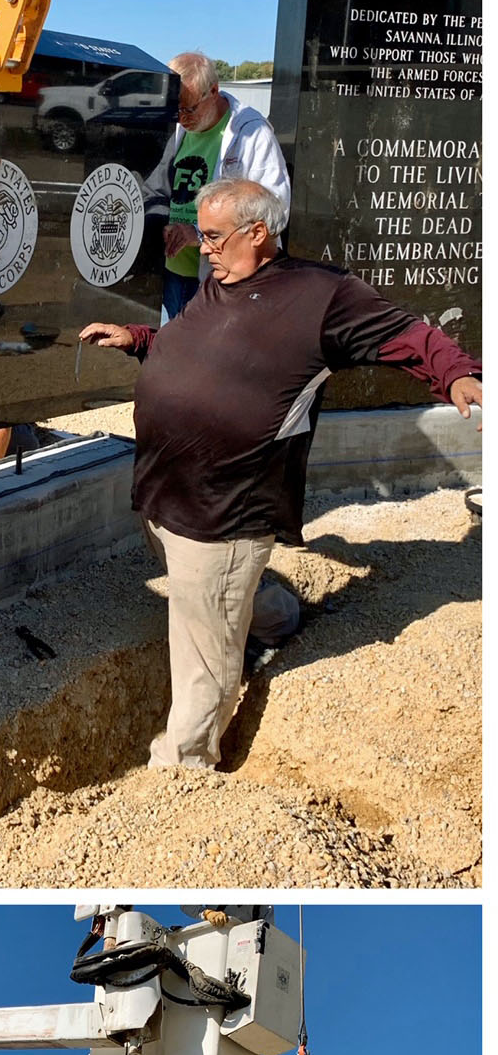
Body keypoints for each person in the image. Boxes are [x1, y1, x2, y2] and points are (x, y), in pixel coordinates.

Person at [82, 177, 480, 768]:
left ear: (259, 232)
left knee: (202, 654)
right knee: (212, 599)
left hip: (228, 506)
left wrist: (457, 376)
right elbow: (195, 347)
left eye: (212, 236)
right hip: (165, 490)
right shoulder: (221, 281)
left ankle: (185, 764)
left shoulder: (323, 295)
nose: (203, 246)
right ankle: (273, 618)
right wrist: (139, 338)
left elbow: (409, 336)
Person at [143, 53, 290, 321]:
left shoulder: (252, 133)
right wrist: (159, 224)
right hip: (171, 273)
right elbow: (157, 189)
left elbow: (274, 212)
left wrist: (199, 234)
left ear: (213, 91)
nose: (181, 119)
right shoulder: (179, 128)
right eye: (175, 109)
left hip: (221, 282)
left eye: (188, 109)